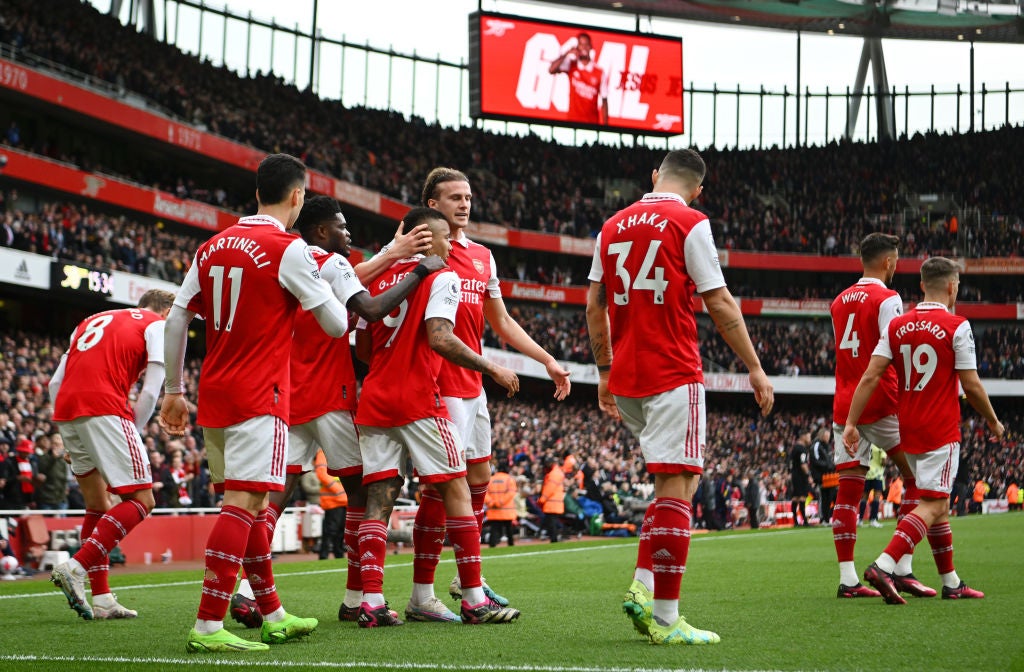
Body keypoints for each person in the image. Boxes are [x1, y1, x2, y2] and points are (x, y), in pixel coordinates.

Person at [160, 154, 352, 653]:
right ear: (297, 197)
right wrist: (329, 282)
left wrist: (174, 390)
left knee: (256, 500)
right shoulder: (289, 249)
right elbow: (336, 325)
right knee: (244, 504)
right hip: (260, 393)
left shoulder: (212, 246)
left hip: (216, 391)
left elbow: (178, 317)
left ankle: (273, 613)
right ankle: (207, 624)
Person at [585, 148, 773, 645]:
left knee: (677, 487)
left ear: (654, 176)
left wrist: (603, 370)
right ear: (697, 189)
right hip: (672, 370)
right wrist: (754, 368)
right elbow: (719, 302)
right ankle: (666, 618)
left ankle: (644, 584)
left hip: (627, 376)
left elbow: (594, 301)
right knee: (678, 484)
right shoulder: (690, 221)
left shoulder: (611, 225)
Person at [227, 194, 443, 628]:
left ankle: (247, 591)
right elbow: (368, 306)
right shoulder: (331, 260)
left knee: (274, 498)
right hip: (332, 395)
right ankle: (359, 596)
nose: (349, 234)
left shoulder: (287, 259)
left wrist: (389, 254)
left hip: (289, 394)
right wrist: (418, 269)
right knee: (365, 493)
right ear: (323, 231)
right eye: (342, 227)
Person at [410, 168, 571, 616]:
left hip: (473, 388)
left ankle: (466, 578)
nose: (464, 203)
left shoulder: (481, 256)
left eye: (468, 196)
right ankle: (424, 594)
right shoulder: (419, 250)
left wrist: (547, 360)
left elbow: (500, 322)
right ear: (433, 204)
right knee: (441, 489)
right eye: (454, 197)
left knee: (478, 480)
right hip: (437, 385)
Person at [353, 206, 521, 627]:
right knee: (457, 490)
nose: (452, 245)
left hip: (373, 399)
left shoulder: (379, 276)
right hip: (418, 400)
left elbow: (361, 347)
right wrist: (492, 368)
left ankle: (371, 602)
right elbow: (441, 338)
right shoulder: (441, 276)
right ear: (427, 239)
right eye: (446, 237)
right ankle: (473, 597)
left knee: (379, 500)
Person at [844, 256, 1005, 604]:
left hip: (908, 428)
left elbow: (870, 375)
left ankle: (951, 581)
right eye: (958, 286)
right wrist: (993, 420)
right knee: (934, 504)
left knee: (938, 505)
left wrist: (851, 422)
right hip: (940, 429)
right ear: (951, 286)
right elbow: (972, 385)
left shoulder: (897, 326)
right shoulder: (957, 325)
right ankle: (884, 565)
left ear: (921, 286)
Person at [48, 289, 176, 620]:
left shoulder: (90, 320)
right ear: (166, 310)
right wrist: (131, 430)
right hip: (105, 408)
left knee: (98, 505)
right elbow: (150, 391)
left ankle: (102, 598)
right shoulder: (157, 325)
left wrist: (68, 429)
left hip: (67, 409)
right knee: (143, 501)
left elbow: (54, 383)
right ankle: (77, 567)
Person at [829, 232, 932, 600]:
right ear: (888, 263)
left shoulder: (839, 302)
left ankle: (848, 579)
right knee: (918, 479)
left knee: (848, 492)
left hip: (846, 406)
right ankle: (901, 568)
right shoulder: (889, 298)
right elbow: (895, 352)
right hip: (884, 402)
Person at [548, 32, 609, 126]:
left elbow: (604, 101)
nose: (584, 47)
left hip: (591, 123)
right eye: (581, 44)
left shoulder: (599, 72)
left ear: (590, 47)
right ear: (577, 47)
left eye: (586, 44)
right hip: (572, 122)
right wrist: (567, 53)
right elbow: (551, 69)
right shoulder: (572, 65)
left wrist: (605, 126)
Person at [484, 467, 517, 547]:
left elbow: (484, 493)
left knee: (494, 529)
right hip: (506, 510)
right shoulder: (509, 479)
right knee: (509, 528)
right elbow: (511, 493)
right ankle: (511, 544)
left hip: (493, 509)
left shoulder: (490, 479)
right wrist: (500, 502)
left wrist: (491, 502)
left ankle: (492, 545)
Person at [809, 427, 837, 525]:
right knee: (825, 497)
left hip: (829, 476)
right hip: (821, 476)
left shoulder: (826, 446)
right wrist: (829, 465)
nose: (828, 438)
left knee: (831, 497)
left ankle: (827, 518)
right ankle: (824, 518)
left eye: (829, 436)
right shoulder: (816, 445)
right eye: (826, 435)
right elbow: (815, 461)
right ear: (822, 435)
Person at [538, 457, 566, 543]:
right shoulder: (557, 473)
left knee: (551, 522)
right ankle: (555, 536)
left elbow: (549, 488)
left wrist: (542, 499)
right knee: (551, 521)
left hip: (552, 502)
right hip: (554, 502)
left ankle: (554, 538)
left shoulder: (554, 474)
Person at [789, 432, 813, 527]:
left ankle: (796, 521)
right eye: (808, 437)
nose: (810, 439)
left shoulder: (794, 448)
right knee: (802, 497)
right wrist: (809, 475)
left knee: (795, 497)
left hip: (794, 475)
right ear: (803, 437)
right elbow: (803, 464)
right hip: (801, 475)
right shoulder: (802, 449)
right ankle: (805, 522)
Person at [860, 445, 886, 527]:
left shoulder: (867, 444)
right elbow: (883, 461)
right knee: (876, 497)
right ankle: (873, 520)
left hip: (867, 474)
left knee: (864, 497)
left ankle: (860, 520)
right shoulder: (879, 445)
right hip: (877, 474)